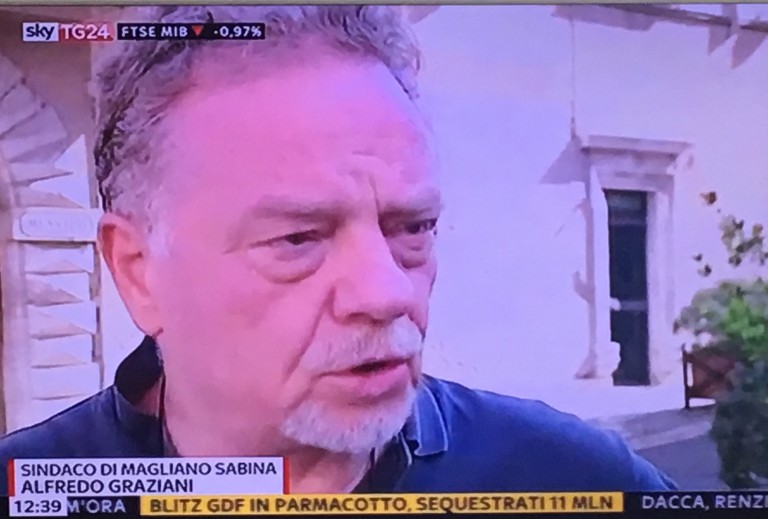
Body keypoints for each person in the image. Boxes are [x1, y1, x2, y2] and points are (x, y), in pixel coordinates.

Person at [0, 5, 676, 494]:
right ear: (138, 271)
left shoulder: (574, 478)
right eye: (298, 238)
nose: (387, 292)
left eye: (412, 228)